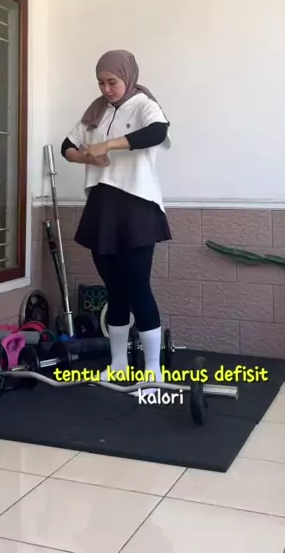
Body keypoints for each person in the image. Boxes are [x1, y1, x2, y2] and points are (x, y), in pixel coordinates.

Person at [61, 50, 171, 391]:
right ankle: (119, 365)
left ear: (128, 77)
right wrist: (86, 158)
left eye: (112, 82)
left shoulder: (144, 105)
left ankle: (153, 370)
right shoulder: (95, 111)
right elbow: (67, 145)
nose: (107, 89)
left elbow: (157, 133)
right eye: (101, 83)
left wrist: (109, 144)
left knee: (138, 288)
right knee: (115, 290)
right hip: (102, 206)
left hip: (137, 206)